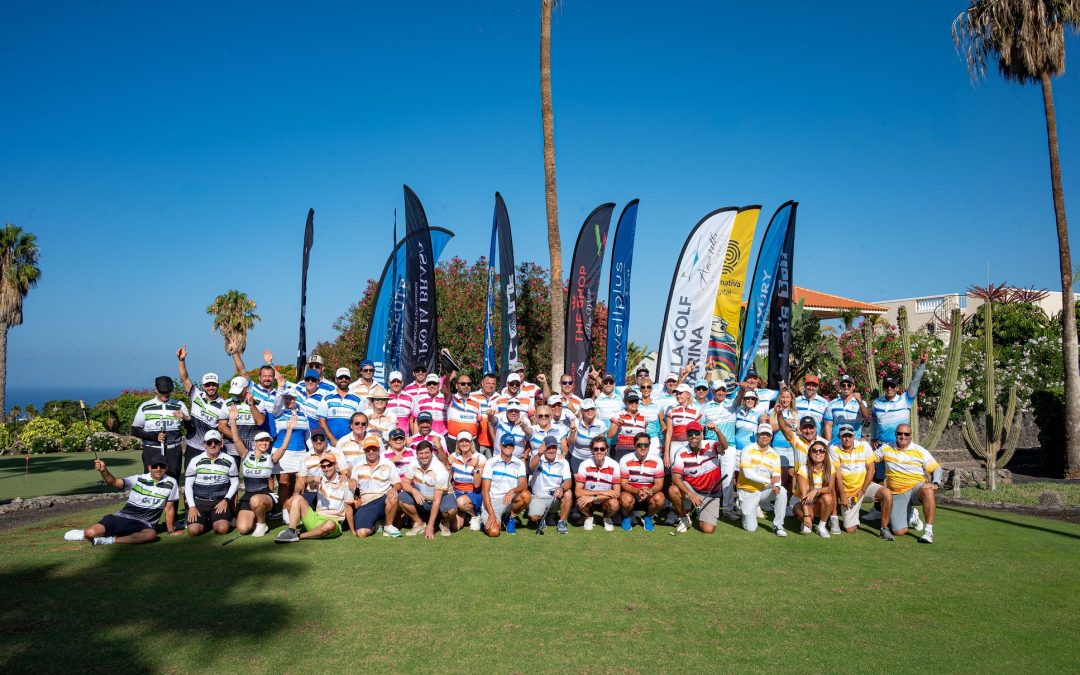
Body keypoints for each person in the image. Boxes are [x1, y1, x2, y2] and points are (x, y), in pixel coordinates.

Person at [63, 455, 178, 545]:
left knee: (151, 535)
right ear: (149, 468)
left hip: (145, 524)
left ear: (166, 468)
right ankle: (84, 534)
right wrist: (104, 471)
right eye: (155, 466)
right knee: (90, 533)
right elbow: (113, 482)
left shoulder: (171, 483)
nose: (158, 469)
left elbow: (169, 508)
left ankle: (109, 540)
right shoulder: (138, 479)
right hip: (122, 518)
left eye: (162, 466)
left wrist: (171, 531)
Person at [878, 423, 941, 543]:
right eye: (900, 433)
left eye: (906, 434)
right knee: (899, 532)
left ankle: (928, 532)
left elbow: (936, 468)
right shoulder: (886, 448)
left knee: (928, 490)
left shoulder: (920, 450)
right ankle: (912, 515)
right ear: (895, 434)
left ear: (911, 435)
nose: (903, 436)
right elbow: (870, 459)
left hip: (915, 489)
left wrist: (936, 483)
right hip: (897, 493)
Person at [830, 423, 893, 538]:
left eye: (849, 435)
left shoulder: (864, 445)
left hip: (865, 486)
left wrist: (863, 490)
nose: (847, 438)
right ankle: (853, 517)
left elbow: (871, 469)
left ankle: (884, 528)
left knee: (886, 493)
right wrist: (842, 495)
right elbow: (837, 475)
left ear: (854, 436)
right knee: (850, 529)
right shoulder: (834, 449)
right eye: (844, 436)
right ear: (839, 437)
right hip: (848, 491)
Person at [274, 453, 354, 542]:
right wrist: (313, 478)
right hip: (316, 518)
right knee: (297, 498)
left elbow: (348, 508)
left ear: (335, 465)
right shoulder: (320, 480)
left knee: (329, 525)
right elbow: (305, 480)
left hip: (334, 521)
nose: (326, 469)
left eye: (329, 465)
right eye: (323, 467)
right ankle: (291, 531)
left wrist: (353, 530)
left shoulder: (345, 482)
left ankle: (299, 536)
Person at [668, 421, 726, 534]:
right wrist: (690, 494)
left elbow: (725, 446)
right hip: (691, 489)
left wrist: (717, 431)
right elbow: (676, 478)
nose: (693, 436)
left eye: (696, 433)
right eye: (690, 433)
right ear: (687, 436)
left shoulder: (711, 445)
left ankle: (696, 513)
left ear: (701, 434)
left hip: (711, 493)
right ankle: (684, 518)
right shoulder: (681, 452)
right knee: (673, 490)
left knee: (708, 530)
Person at [177, 346, 228, 469]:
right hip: (192, 446)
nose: (211, 388)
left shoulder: (223, 404)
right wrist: (181, 360)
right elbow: (184, 378)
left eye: (213, 385)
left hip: (211, 447)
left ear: (218, 385)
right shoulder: (196, 395)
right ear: (203, 386)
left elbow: (222, 428)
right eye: (208, 385)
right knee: (191, 477)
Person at [130, 375, 189, 482]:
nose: (165, 394)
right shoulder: (146, 407)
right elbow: (134, 430)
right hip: (151, 451)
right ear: (156, 389)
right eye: (162, 392)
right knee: (151, 483)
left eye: (168, 392)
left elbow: (190, 428)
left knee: (172, 483)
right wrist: (154, 436)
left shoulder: (179, 405)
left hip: (173, 451)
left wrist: (185, 418)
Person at [733, 424, 788, 536]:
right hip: (747, 491)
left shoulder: (774, 454)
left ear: (771, 437)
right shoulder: (747, 449)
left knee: (782, 491)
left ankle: (778, 525)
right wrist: (770, 481)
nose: (765, 437)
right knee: (751, 528)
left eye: (767, 434)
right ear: (757, 435)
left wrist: (776, 485)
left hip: (763, 491)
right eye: (762, 434)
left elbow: (777, 476)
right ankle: (744, 506)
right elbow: (748, 474)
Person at [183, 430, 239, 537]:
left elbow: (235, 483)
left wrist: (225, 500)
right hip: (199, 502)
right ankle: (206, 521)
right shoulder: (195, 460)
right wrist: (192, 507)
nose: (213, 445)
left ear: (221, 443)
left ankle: (216, 519)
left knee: (222, 529)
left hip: (219, 502)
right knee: (193, 531)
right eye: (209, 442)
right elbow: (188, 486)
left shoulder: (230, 460)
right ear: (204, 444)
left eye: (216, 442)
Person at [228, 410, 275, 537]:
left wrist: (289, 429)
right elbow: (237, 440)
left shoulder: (271, 457)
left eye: (267, 440)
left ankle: (262, 523)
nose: (264, 443)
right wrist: (233, 421)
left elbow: (283, 448)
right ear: (255, 442)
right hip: (248, 495)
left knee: (256, 500)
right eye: (261, 440)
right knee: (243, 529)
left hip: (265, 495)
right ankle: (254, 516)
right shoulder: (246, 454)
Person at [870, 352, 928, 452]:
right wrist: (873, 437)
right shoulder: (877, 403)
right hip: (880, 447)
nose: (889, 388)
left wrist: (922, 364)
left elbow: (915, 382)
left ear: (897, 388)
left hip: (899, 447)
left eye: (892, 386)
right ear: (883, 388)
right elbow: (874, 421)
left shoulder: (905, 399)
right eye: (886, 386)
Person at [399, 440, 457, 538]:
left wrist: (430, 527)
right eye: (420, 453)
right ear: (416, 454)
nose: (424, 456)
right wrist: (413, 490)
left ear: (432, 453)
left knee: (451, 510)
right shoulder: (413, 464)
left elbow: (436, 500)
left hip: (442, 498)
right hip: (422, 500)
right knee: (400, 498)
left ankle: (444, 522)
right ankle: (419, 523)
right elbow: (404, 483)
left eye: (426, 453)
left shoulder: (440, 469)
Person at [269, 375, 310, 508]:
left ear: (296, 399)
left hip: (300, 452)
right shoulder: (278, 412)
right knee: (284, 481)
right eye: (286, 398)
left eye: (291, 398)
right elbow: (276, 404)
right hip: (283, 452)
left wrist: (311, 451)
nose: (288, 401)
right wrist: (280, 388)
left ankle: (297, 507)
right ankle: (285, 510)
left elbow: (307, 435)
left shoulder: (303, 413)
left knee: (300, 481)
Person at [350, 436, 402, 538]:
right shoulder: (357, 466)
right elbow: (353, 481)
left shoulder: (388, 464)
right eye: (368, 449)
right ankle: (377, 523)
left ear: (379, 450)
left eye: (374, 449)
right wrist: (352, 481)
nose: (371, 452)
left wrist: (394, 488)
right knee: (362, 533)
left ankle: (388, 526)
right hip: (365, 503)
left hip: (383, 500)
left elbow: (398, 484)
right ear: (364, 451)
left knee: (393, 495)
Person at [480, 434, 531, 537]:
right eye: (505, 445)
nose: (508, 447)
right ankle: (486, 521)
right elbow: (485, 491)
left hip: (509, 499)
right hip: (493, 501)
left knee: (526, 495)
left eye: (511, 445)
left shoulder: (519, 463)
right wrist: (491, 514)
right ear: (500, 446)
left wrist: (512, 491)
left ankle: (511, 518)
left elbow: (523, 484)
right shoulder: (491, 462)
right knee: (494, 532)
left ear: (514, 447)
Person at [618, 432, 665, 531]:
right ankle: (626, 517)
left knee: (660, 499)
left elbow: (659, 484)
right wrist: (637, 491)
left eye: (646, 445)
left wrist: (649, 491)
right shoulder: (625, 459)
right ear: (634, 445)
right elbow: (624, 483)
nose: (643, 447)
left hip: (649, 493)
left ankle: (648, 517)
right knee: (625, 499)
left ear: (649, 445)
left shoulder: (657, 460)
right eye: (639, 445)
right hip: (632, 492)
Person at [528, 435, 573, 534]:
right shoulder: (538, 457)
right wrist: (539, 454)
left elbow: (568, 481)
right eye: (548, 448)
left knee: (568, 493)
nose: (551, 450)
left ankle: (562, 521)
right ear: (543, 448)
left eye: (554, 448)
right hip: (538, 497)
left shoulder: (563, 462)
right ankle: (543, 517)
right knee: (534, 517)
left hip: (554, 497)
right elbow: (531, 467)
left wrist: (561, 488)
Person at [575, 438, 621, 531]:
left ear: (606, 450)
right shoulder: (584, 464)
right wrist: (604, 492)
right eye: (596, 449)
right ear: (592, 450)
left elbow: (616, 493)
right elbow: (578, 492)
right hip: (594, 500)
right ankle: (589, 517)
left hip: (604, 500)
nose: (599, 452)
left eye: (602, 449)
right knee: (580, 501)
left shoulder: (614, 465)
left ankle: (607, 517)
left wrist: (594, 497)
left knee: (615, 504)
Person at [792, 439, 836, 538]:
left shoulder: (830, 468)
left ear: (825, 454)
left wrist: (816, 490)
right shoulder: (803, 469)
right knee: (807, 520)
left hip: (817, 503)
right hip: (803, 503)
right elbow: (804, 495)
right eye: (814, 450)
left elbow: (829, 489)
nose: (818, 453)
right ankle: (806, 519)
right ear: (810, 453)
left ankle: (821, 526)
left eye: (821, 451)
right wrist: (806, 516)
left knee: (828, 497)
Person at [448, 431, 486, 531]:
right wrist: (448, 465)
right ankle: (465, 513)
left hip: (473, 493)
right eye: (461, 441)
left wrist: (476, 467)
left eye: (467, 441)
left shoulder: (480, 458)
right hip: (457, 492)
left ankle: (475, 515)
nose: (464, 444)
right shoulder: (453, 456)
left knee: (460, 502)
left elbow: (477, 485)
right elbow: (448, 479)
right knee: (454, 527)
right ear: (457, 444)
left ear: (471, 443)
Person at [823, 373, 871, 443]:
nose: (846, 387)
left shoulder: (861, 403)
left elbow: (866, 416)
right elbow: (828, 425)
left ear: (853, 387)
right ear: (840, 387)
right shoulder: (832, 404)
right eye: (843, 385)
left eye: (849, 385)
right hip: (836, 442)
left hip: (855, 442)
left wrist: (860, 402)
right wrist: (828, 443)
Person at [663, 384, 702, 467]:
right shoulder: (671, 411)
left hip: (691, 445)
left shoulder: (696, 412)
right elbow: (669, 433)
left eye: (680, 393)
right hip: (675, 445)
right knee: (675, 472)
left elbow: (700, 434)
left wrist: (700, 450)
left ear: (688, 395)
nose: (678, 395)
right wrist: (666, 454)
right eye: (677, 393)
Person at [568, 398, 608, 477]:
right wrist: (572, 432)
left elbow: (603, 446)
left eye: (592, 409)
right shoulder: (576, 422)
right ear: (582, 411)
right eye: (587, 409)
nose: (590, 411)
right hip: (577, 458)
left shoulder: (601, 424)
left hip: (593, 459)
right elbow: (570, 442)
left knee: (591, 483)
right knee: (579, 484)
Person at [323, 368, 364, 442]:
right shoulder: (327, 397)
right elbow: (321, 420)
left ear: (350, 379)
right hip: (330, 442)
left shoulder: (358, 399)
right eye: (341, 377)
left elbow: (361, 421)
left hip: (350, 442)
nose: (344, 379)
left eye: (346, 378)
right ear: (336, 379)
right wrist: (332, 439)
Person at [296, 369, 335, 444]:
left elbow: (325, 420)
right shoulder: (297, 390)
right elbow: (281, 381)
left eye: (313, 380)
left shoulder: (323, 398)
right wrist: (270, 363)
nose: (310, 382)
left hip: (313, 437)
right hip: (298, 434)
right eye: (307, 379)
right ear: (304, 381)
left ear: (318, 382)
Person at [446, 373, 482, 454]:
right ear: (456, 386)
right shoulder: (451, 398)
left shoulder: (476, 402)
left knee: (473, 466)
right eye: (463, 384)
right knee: (455, 465)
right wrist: (449, 374)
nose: (466, 386)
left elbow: (478, 423)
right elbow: (444, 388)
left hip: (472, 441)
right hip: (454, 441)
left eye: (468, 384)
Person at [607, 392, 647, 462]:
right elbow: (610, 435)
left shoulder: (643, 416)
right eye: (631, 401)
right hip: (623, 450)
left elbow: (644, 435)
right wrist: (616, 424)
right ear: (626, 402)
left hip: (639, 450)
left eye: (636, 401)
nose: (634, 403)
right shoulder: (619, 415)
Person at [469, 372, 500, 456]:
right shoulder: (472, 396)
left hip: (493, 441)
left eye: (493, 383)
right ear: (482, 383)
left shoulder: (499, 398)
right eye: (488, 383)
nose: (490, 385)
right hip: (476, 441)